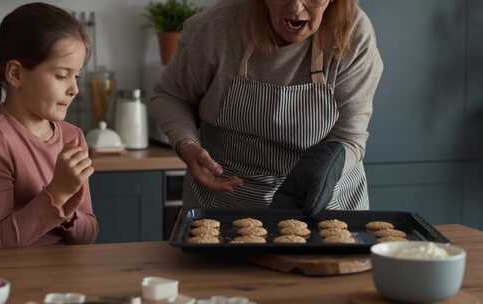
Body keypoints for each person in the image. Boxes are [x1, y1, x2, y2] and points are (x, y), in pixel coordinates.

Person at [150, 0, 383, 210]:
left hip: (325, 204)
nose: (295, 8)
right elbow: (171, 95)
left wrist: (321, 173)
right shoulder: (219, 27)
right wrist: (186, 144)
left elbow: (350, 137)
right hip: (226, 201)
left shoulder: (351, 33)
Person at [0, 2, 99, 249]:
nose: (75, 89)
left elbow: (88, 234)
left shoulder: (73, 137)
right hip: (5, 282)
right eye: (61, 75)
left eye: (76, 76)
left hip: (61, 280)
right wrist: (57, 193)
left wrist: (69, 209)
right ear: (16, 74)